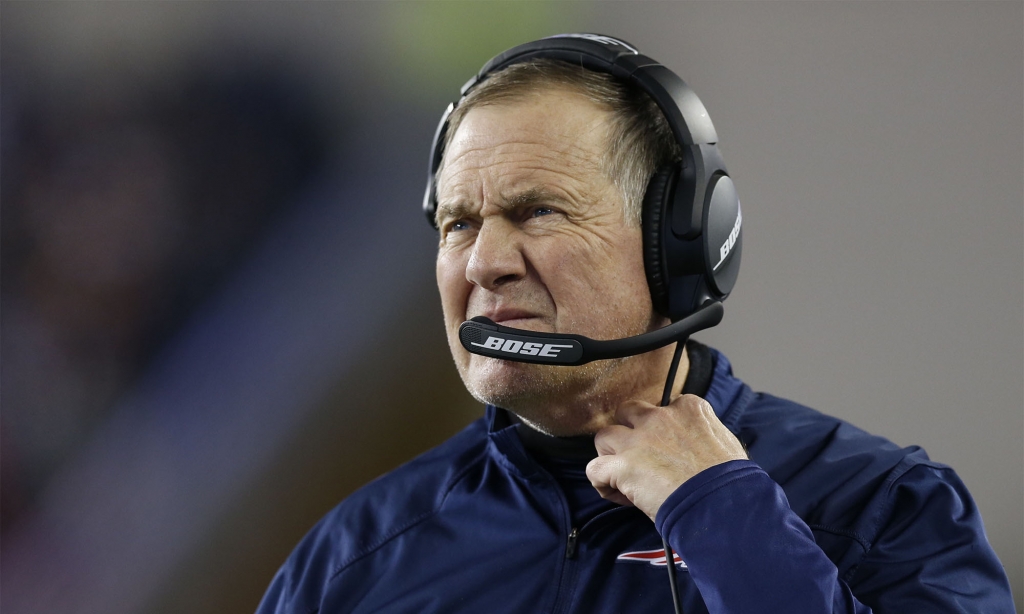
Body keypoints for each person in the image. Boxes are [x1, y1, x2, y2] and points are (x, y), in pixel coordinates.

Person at [257, 35, 1014, 614]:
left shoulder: (880, 509)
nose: (484, 262)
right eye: (458, 224)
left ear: (677, 243)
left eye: (538, 211)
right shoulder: (352, 560)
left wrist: (726, 520)